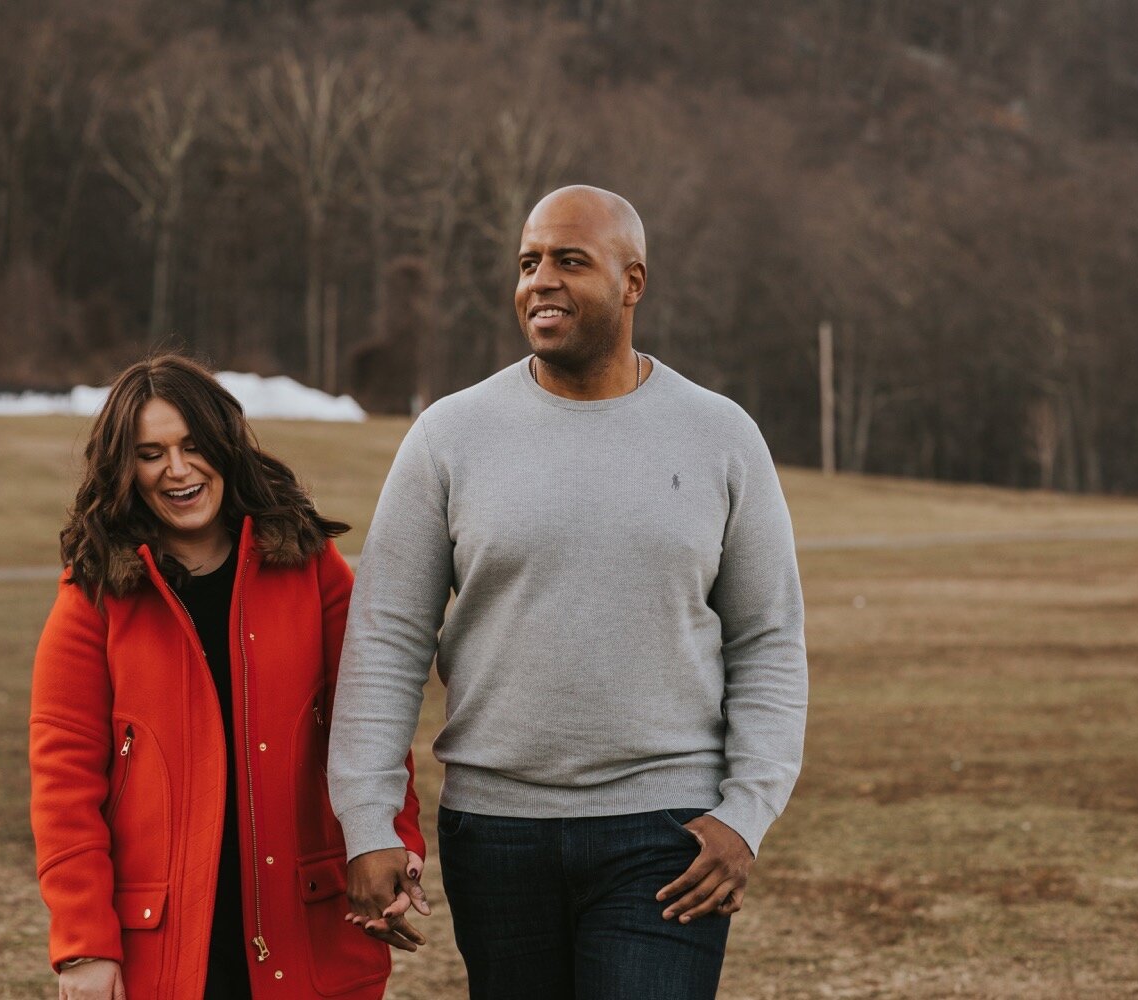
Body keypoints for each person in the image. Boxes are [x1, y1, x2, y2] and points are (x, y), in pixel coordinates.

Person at [327, 186, 808, 998]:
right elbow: (385, 638)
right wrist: (367, 821)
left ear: (633, 283)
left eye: (569, 261)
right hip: (495, 836)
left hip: (667, 836)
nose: (540, 280)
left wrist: (745, 815)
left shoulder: (721, 435)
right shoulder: (450, 435)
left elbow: (767, 639)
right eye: (528, 262)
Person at [29, 354, 427, 1000]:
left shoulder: (310, 566)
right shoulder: (94, 596)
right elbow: (63, 784)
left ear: (225, 447)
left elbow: (371, 717)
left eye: (192, 446)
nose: (177, 470)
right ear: (124, 468)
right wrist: (83, 946)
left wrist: (392, 838)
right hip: (167, 944)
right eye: (150, 453)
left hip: (305, 926)